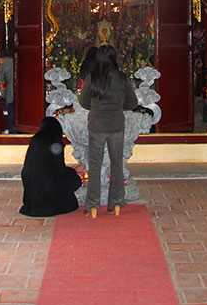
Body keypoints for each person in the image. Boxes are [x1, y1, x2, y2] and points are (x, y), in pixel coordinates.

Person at [79, 45, 139, 218]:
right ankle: (117, 202)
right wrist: (118, 106)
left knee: (95, 165)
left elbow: (83, 102)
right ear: (114, 58)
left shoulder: (93, 77)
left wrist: (97, 107)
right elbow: (132, 102)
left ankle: (92, 205)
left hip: (97, 125)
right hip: (116, 125)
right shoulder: (121, 78)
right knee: (117, 164)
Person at [19, 117, 82, 217]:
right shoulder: (55, 142)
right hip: (47, 187)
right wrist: (74, 171)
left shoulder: (35, 139)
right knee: (73, 178)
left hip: (31, 190)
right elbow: (59, 169)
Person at [0, 49, 16, 134]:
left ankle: (12, 129)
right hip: (23, 92)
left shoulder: (1, 67)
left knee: (11, 111)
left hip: (10, 93)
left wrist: (3, 94)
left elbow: (2, 83)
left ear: (1, 58)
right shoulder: (16, 62)